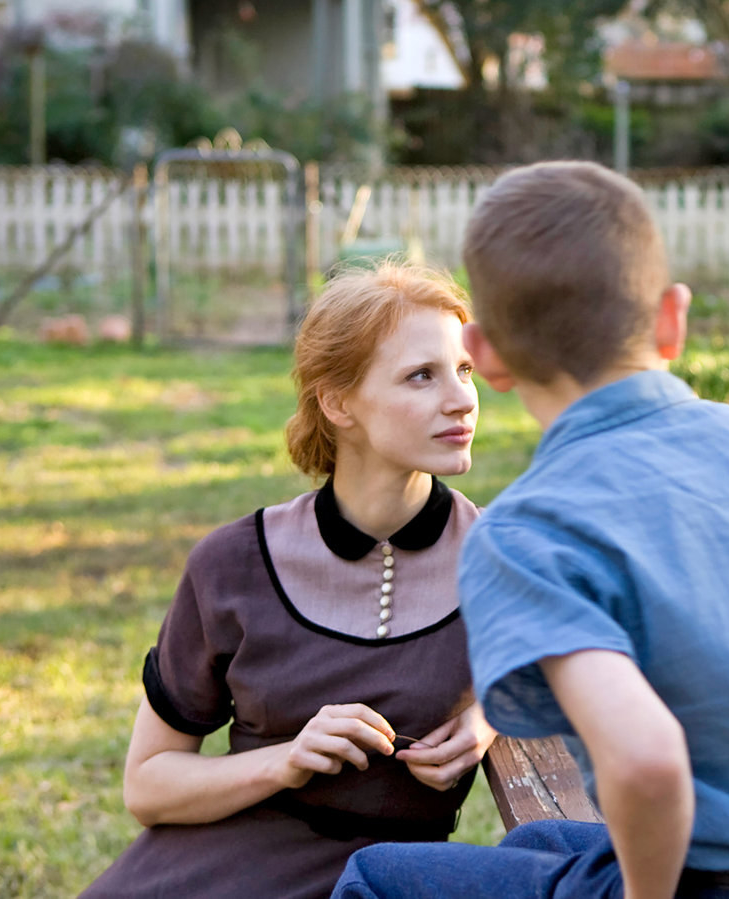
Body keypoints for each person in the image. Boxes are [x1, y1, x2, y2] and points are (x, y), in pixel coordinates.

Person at [330, 161, 729, 899]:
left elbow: (646, 762)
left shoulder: (532, 532)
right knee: (542, 841)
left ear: (483, 355)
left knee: (377, 878)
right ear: (672, 318)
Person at [82, 264, 497, 899]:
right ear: (338, 402)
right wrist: (288, 759)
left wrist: (491, 715)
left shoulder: (506, 558)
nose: (463, 398)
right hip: (206, 870)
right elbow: (149, 786)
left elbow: (604, 670)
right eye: (422, 375)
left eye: (464, 370)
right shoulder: (231, 566)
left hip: (383, 882)